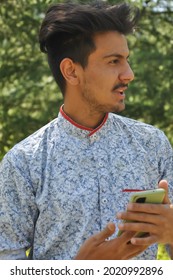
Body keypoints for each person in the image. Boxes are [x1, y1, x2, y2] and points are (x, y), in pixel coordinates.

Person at [0, 2, 173, 260]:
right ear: (71, 71)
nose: (129, 74)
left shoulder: (153, 145)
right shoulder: (24, 163)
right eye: (114, 61)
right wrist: (80, 269)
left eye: (127, 60)